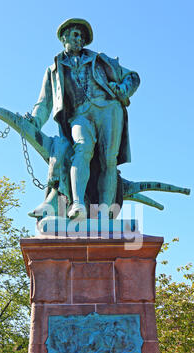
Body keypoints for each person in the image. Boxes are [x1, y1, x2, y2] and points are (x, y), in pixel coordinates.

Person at [30, 18, 140, 219]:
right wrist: (34, 121)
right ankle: (78, 204)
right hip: (79, 114)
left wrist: (122, 90)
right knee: (82, 147)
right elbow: (44, 103)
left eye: (82, 36)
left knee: (109, 159)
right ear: (64, 37)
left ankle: (105, 211)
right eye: (75, 34)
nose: (80, 39)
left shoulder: (100, 60)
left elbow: (133, 77)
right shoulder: (54, 70)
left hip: (108, 109)